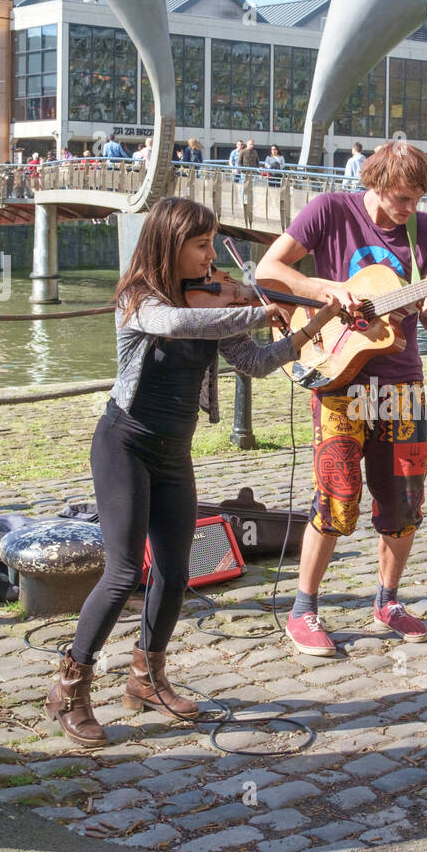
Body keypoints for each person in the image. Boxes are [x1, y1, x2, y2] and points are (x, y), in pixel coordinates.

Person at [46, 197, 342, 746]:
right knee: (121, 572)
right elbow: (178, 323)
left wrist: (309, 327)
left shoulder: (213, 300)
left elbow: (252, 363)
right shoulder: (138, 301)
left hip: (174, 452)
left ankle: (147, 677)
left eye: (211, 245)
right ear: (170, 245)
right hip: (124, 445)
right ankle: (71, 685)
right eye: (201, 246)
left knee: (177, 573)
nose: (211, 259)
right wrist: (256, 307)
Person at [255, 140, 427, 657]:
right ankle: (303, 609)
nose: (408, 208)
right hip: (337, 374)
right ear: (373, 184)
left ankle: (388, 602)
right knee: (336, 493)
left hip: (401, 379)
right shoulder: (331, 211)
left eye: (417, 198)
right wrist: (328, 289)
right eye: (399, 197)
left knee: (404, 499)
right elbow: (270, 270)